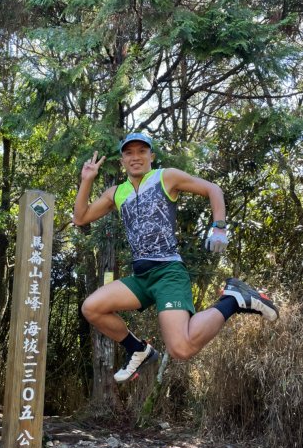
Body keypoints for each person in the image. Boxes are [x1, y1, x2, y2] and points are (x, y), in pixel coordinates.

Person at [73, 133, 279, 383]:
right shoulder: (116, 193)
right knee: (92, 308)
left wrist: (220, 227)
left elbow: (212, 189)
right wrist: (87, 180)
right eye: (129, 153)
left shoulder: (165, 177)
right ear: (122, 160)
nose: (135, 157)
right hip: (141, 276)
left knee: (181, 349)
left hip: (168, 272)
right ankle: (138, 349)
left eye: (142, 151)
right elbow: (81, 218)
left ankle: (234, 300)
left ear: (152, 156)